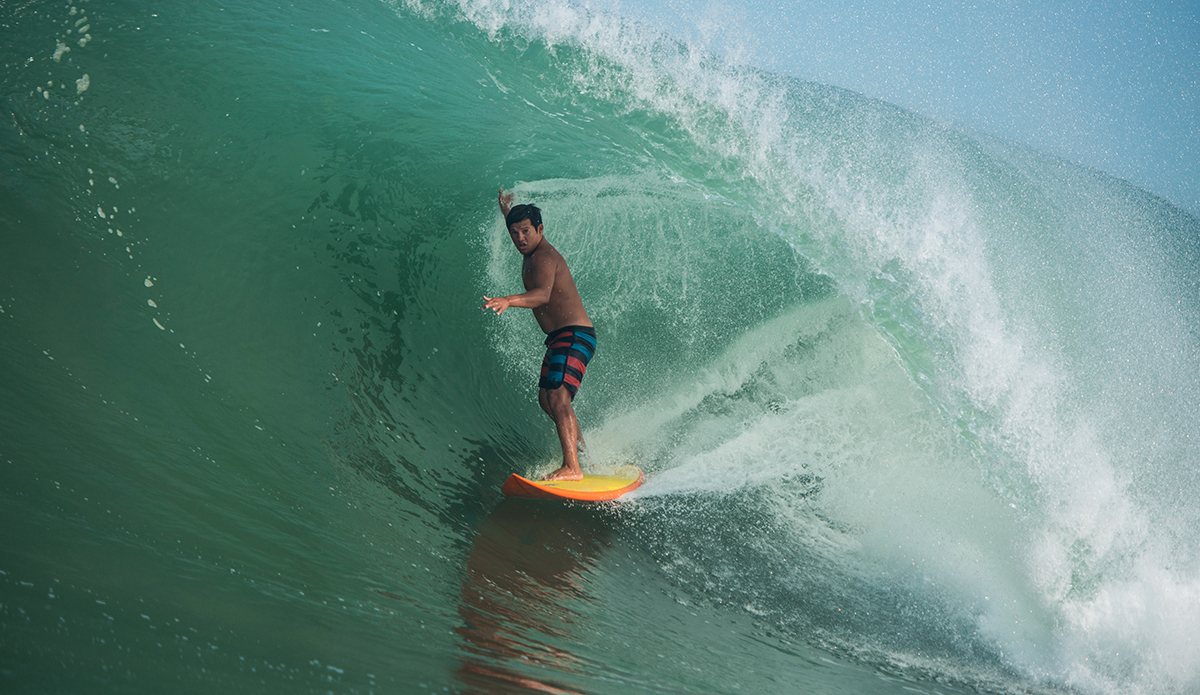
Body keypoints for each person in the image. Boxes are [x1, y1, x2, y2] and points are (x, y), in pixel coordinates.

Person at [483, 189, 595, 481]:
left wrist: (508, 300)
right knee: (547, 399)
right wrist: (507, 209)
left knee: (558, 397)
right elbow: (517, 223)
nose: (520, 238)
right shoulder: (529, 246)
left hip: (574, 335)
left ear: (540, 230)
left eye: (526, 232)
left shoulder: (543, 257)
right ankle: (582, 457)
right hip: (560, 338)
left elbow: (542, 295)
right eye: (514, 233)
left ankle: (572, 467)